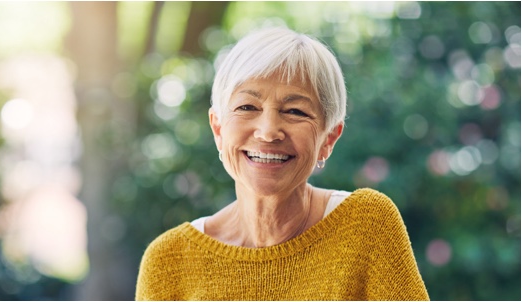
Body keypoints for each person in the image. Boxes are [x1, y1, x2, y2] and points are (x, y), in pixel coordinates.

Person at [135, 27, 429, 300]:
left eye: (295, 111)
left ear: (329, 138)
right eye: (247, 107)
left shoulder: (367, 226)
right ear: (218, 129)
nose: (268, 131)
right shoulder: (168, 261)